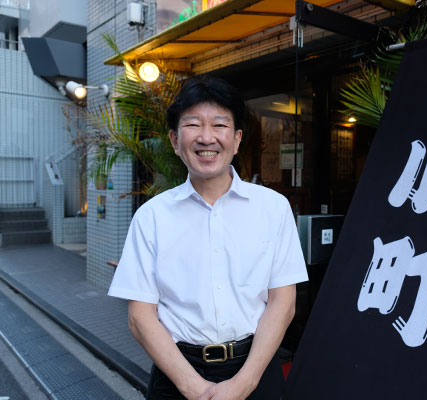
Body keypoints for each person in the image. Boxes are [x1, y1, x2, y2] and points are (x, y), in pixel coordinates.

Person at [108, 75, 308, 400]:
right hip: (176, 375)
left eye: (219, 125)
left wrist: (244, 384)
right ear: (175, 140)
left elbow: (283, 302)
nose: (206, 137)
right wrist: (194, 388)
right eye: (193, 124)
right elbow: (140, 317)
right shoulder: (151, 216)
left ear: (237, 139)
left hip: (256, 370)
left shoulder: (273, 208)